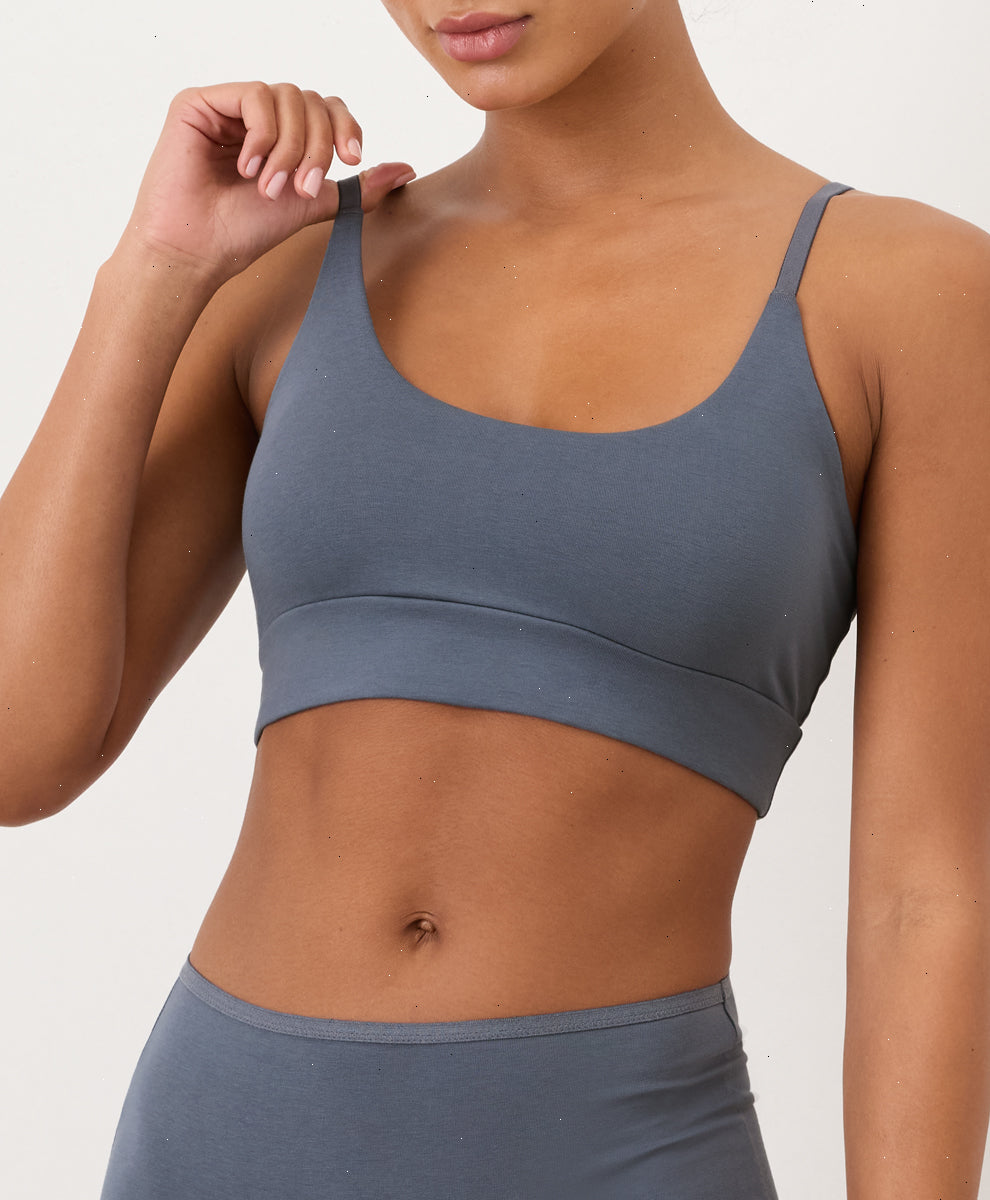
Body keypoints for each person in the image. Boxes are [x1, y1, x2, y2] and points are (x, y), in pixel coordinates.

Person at [1, 0, 988, 1195]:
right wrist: (153, 274)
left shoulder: (908, 294)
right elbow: (17, 755)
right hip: (224, 1141)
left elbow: (924, 897)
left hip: (621, 1155)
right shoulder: (289, 265)